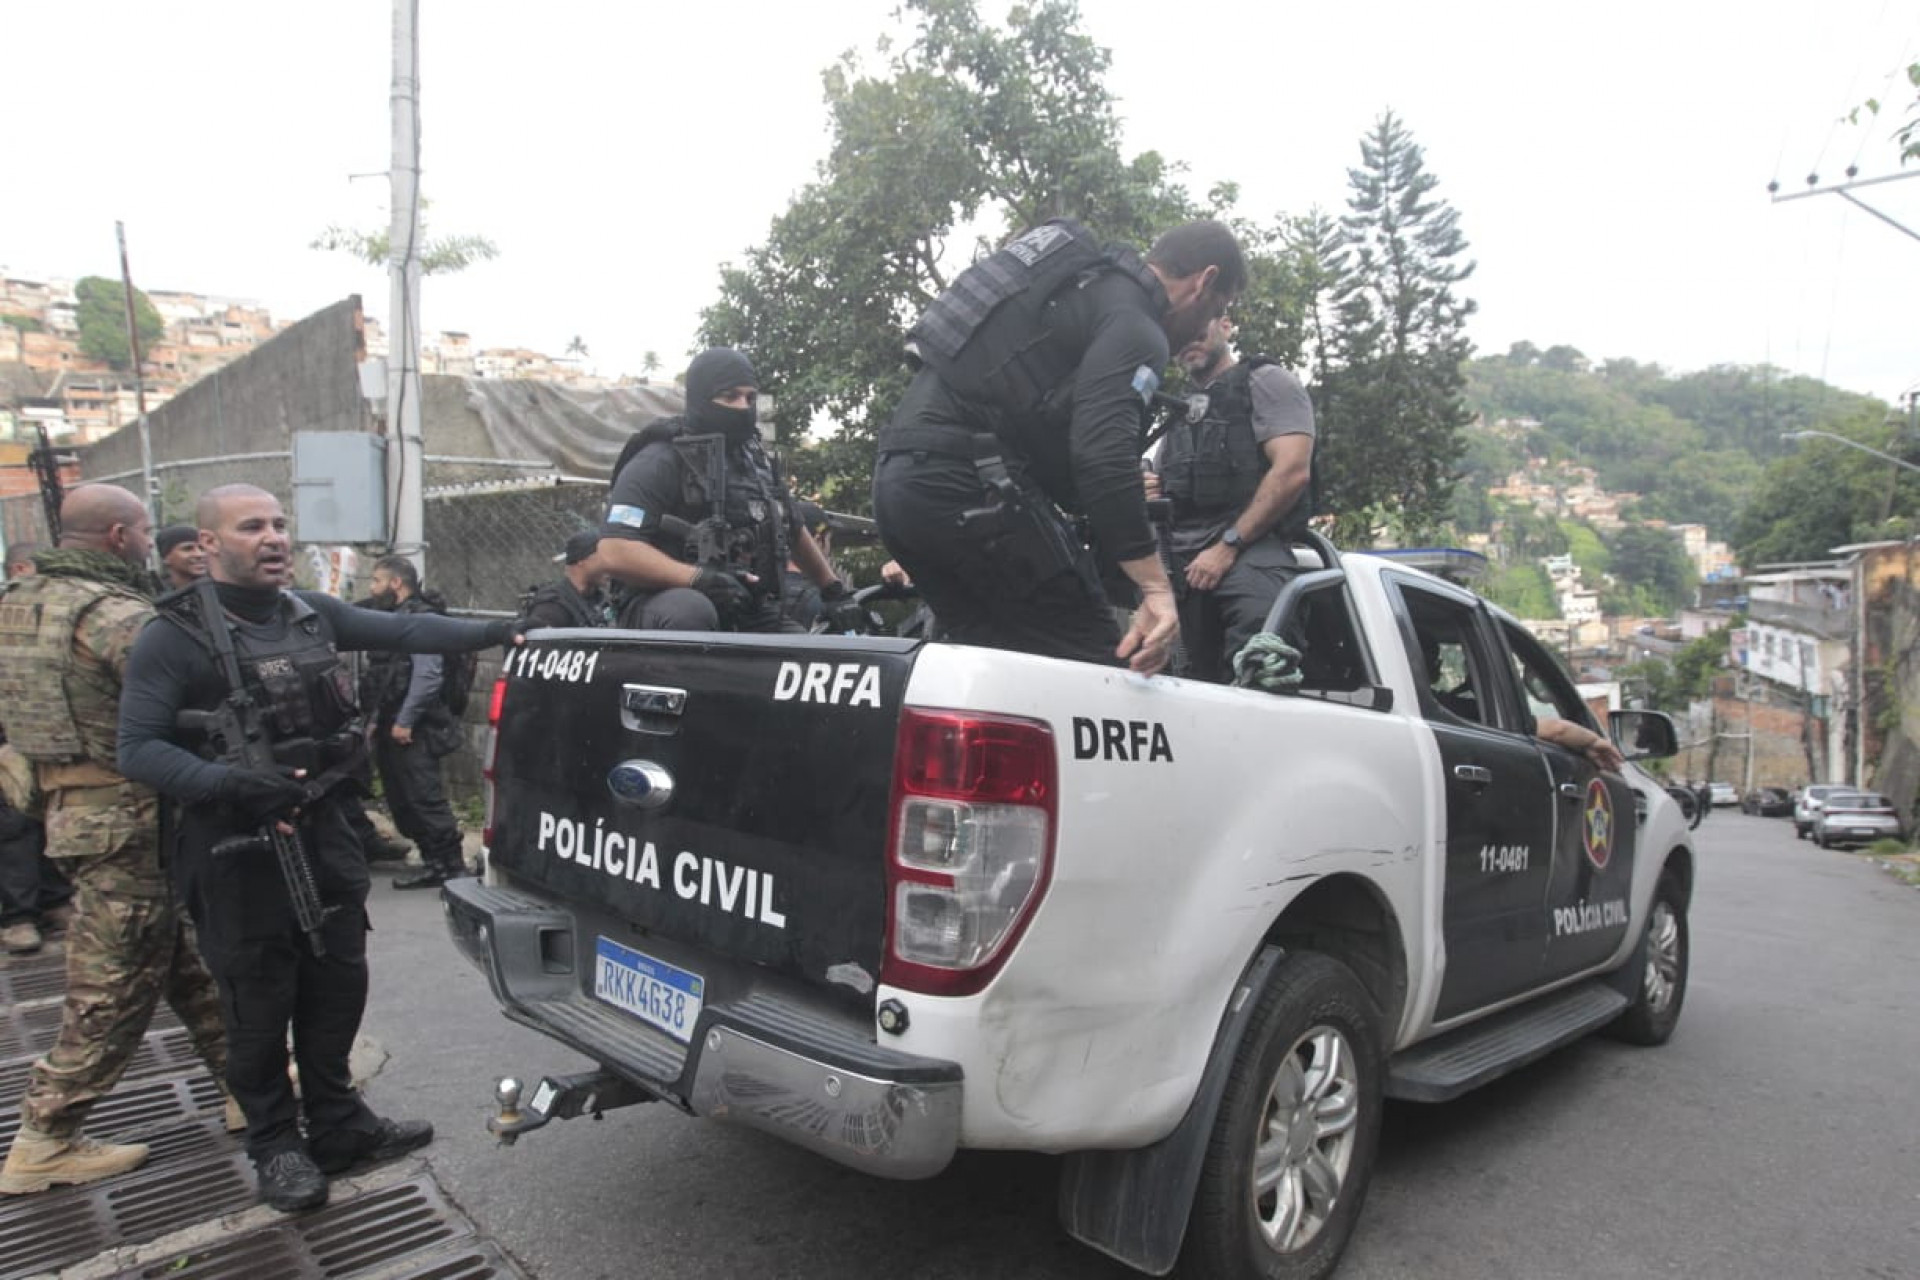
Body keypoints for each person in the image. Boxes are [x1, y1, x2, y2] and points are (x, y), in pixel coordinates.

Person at [117, 484, 523, 1213]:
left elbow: (408, 631)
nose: (273, 537)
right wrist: (233, 785)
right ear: (208, 544)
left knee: (338, 980)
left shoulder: (309, 613)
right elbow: (139, 748)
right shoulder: (171, 636)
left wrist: (504, 630)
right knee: (258, 1001)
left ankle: (339, 1123)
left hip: (324, 827)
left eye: (279, 524)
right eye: (251, 527)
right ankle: (274, 1143)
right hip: (235, 844)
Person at [872, 218, 1247, 674]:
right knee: (1104, 669)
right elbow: (1102, 457)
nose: (1203, 328)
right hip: (969, 488)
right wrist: (1154, 588)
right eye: (1216, 309)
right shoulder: (1137, 327)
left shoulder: (1081, 290)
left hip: (897, 484)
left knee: (1000, 670)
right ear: (1204, 281)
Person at [0, 485, 233, 1197]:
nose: (146, 541)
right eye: (141, 529)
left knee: (181, 958)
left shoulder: (18, 601)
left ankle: (249, 1079)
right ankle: (46, 1134)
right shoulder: (113, 615)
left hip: (69, 807)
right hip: (128, 814)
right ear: (118, 537)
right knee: (114, 980)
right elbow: (193, 691)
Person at [598, 348, 859, 632]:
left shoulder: (755, 463)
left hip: (742, 603)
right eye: (729, 396)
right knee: (692, 610)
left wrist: (833, 591)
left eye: (750, 398)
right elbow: (615, 550)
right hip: (660, 604)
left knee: (806, 652)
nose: (742, 407)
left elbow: (793, 529)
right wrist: (698, 579)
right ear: (701, 399)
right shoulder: (660, 459)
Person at [1148, 315, 1316, 683]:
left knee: (1263, 639)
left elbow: (1292, 470)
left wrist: (1228, 545)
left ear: (1225, 326)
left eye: (1200, 329)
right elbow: (1166, 485)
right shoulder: (1180, 407)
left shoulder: (1267, 381)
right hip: (1180, 558)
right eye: (1182, 335)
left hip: (1250, 546)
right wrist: (1149, 487)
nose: (1190, 340)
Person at [358, 555, 469, 892]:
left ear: (396, 583)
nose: (372, 589)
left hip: (416, 727)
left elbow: (427, 677)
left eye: (377, 581)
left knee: (424, 798)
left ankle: (451, 867)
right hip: (394, 723)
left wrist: (405, 720)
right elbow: (388, 675)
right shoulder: (397, 618)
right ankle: (434, 861)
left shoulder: (420, 620)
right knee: (403, 799)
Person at [520, 530, 613, 630]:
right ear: (581, 560)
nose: (611, 566)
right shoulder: (553, 605)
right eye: (603, 559)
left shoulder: (600, 600)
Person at [155, 524, 208, 591]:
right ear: (166, 557)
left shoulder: (216, 589)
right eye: (188, 549)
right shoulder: (154, 593)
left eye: (201, 548)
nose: (199, 554)